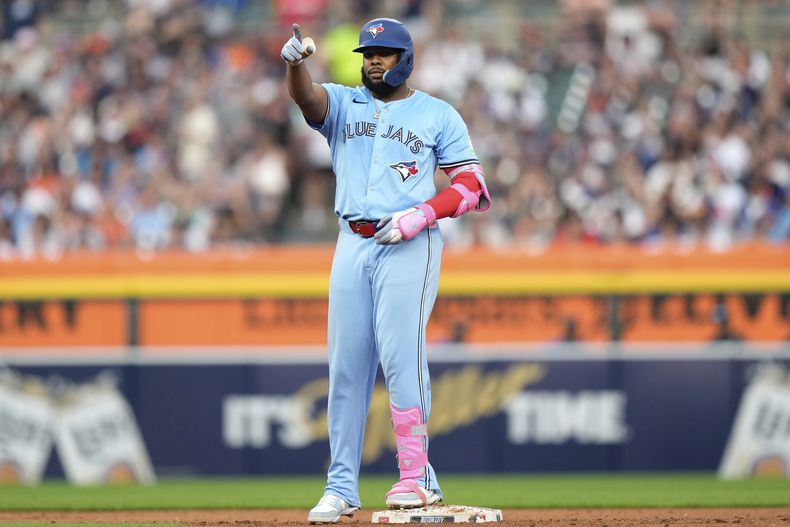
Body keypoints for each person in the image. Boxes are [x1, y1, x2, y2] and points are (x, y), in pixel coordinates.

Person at [280, 17, 491, 523]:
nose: (373, 61)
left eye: (384, 53)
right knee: (347, 369)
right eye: (368, 54)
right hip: (351, 241)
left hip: (408, 242)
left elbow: (473, 185)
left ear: (406, 58)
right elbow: (308, 101)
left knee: (401, 359)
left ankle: (415, 477)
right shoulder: (345, 101)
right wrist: (295, 68)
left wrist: (423, 214)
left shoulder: (437, 114)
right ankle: (341, 486)